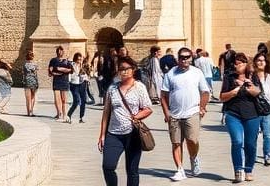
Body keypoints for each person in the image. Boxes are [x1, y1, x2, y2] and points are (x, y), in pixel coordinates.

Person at [97, 55, 153, 186]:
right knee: (108, 166)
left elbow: (148, 109)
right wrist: (102, 135)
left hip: (133, 134)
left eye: (127, 69)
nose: (124, 71)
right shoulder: (112, 88)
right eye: (121, 69)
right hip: (114, 134)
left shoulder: (139, 87)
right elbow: (106, 113)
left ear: (133, 70)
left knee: (132, 171)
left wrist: (136, 117)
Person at [160, 47, 210, 181]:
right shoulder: (170, 74)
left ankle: (193, 158)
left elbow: (205, 92)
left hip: (192, 112)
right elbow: (163, 95)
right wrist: (166, 113)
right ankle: (180, 169)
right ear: (178, 58)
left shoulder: (197, 73)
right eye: (182, 57)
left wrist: (202, 108)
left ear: (191, 58)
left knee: (192, 140)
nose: (184, 60)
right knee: (176, 143)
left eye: (187, 57)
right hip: (174, 114)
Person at [220, 52, 263, 183]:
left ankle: (248, 169)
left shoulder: (253, 76)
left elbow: (258, 92)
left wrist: (249, 85)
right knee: (237, 141)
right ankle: (238, 170)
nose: (237, 65)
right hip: (233, 114)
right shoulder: (229, 77)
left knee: (250, 144)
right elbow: (222, 96)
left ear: (246, 64)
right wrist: (233, 92)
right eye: (236, 63)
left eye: (240, 63)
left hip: (252, 115)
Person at [251, 53, 270, 166]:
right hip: (253, 110)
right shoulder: (251, 76)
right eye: (258, 60)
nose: (261, 62)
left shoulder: (269, 77)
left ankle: (267, 155)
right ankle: (252, 155)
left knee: (268, 134)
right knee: (253, 134)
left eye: (263, 60)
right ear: (255, 62)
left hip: (267, 110)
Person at [48, 46, 72, 121]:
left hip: (65, 81)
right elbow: (50, 71)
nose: (60, 52)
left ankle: (65, 114)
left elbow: (71, 70)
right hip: (57, 80)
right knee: (57, 98)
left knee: (64, 99)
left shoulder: (67, 61)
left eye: (61, 51)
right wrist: (55, 72)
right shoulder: (53, 60)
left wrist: (60, 69)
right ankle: (59, 113)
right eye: (58, 51)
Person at [67, 52, 87, 123]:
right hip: (74, 84)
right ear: (75, 59)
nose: (79, 61)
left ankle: (81, 117)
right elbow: (69, 74)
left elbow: (85, 74)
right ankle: (69, 115)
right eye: (78, 60)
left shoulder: (83, 65)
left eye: (80, 59)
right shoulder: (71, 65)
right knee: (76, 101)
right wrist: (69, 82)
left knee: (84, 101)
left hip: (82, 84)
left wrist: (86, 78)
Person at [22, 50, 39, 116]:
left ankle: (28, 112)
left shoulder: (24, 65)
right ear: (33, 57)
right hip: (34, 81)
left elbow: (23, 73)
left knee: (27, 98)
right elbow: (35, 74)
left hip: (26, 81)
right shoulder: (35, 65)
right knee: (33, 97)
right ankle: (31, 110)